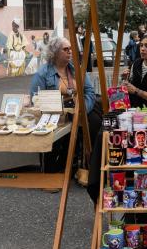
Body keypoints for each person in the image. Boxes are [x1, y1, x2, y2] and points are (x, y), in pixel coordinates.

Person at [30, 37, 97, 173]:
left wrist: (83, 108)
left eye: (71, 49)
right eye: (66, 49)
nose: (70, 52)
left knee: (95, 123)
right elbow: (35, 98)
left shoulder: (77, 69)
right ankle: (53, 171)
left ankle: (85, 167)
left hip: (79, 108)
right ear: (55, 52)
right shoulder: (42, 73)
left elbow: (90, 92)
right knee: (58, 133)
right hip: (55, 113)